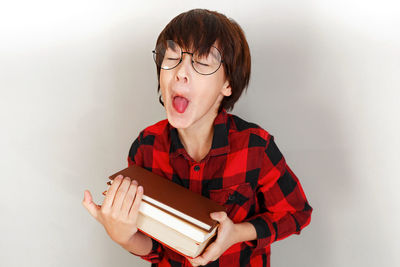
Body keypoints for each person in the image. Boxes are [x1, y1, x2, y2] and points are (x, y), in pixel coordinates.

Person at [83, 8, 312, 267]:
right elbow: (156, 247)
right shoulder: (146, 148)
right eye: (172, 57)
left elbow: (297, 213)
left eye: (202, 63)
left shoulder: (256, 147)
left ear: (228, 85)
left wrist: (238, 233)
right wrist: (123, 236)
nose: (181, 72)